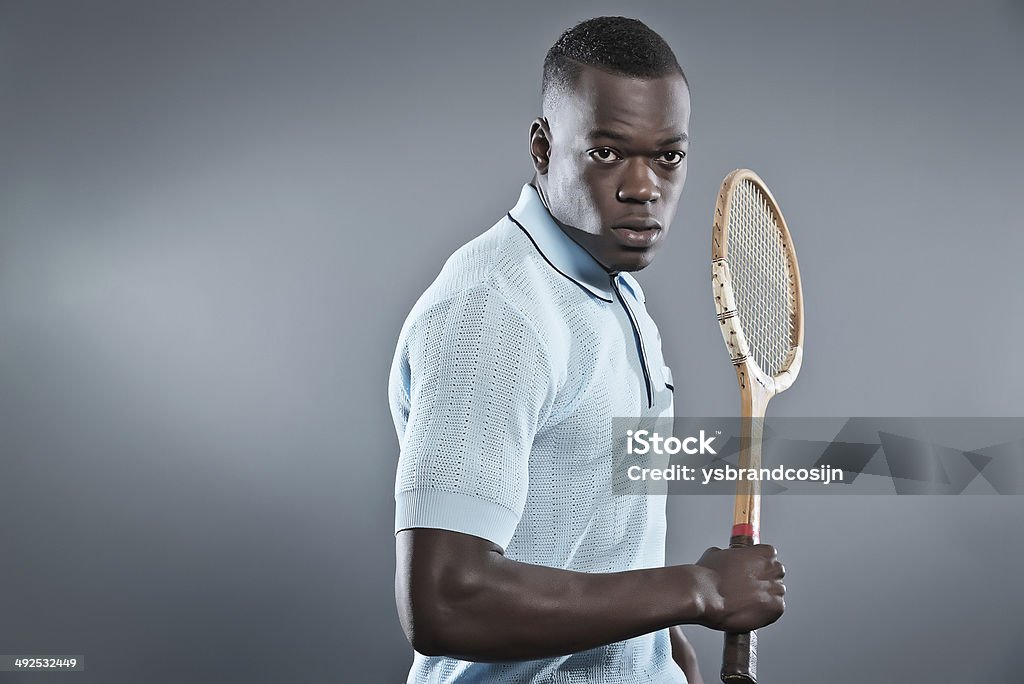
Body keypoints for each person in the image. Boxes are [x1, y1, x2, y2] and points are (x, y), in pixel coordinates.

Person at [388, 16, 785, 684]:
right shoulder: (497, 311)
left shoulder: (611, 285)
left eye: (669, 157)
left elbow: (597, 535)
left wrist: (661, 651)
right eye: (607, 152)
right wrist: (697, 591)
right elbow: (445, 600)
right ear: (543, 148)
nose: (643, 187)